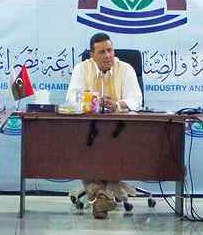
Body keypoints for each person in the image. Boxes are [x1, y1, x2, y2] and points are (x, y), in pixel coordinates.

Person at [61, 33, 143, 219]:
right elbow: (71, 98)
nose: (108, 56)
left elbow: (136, 100)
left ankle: (99, 195)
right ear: (92, 55)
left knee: (97, 158)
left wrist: (118, 104)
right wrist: (93, 101)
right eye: (102, 52)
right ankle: (104, 194)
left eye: (110, 50)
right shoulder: (82, 69)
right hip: (91, 133)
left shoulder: (126, 69)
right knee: (86, 155)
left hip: (120, 133)